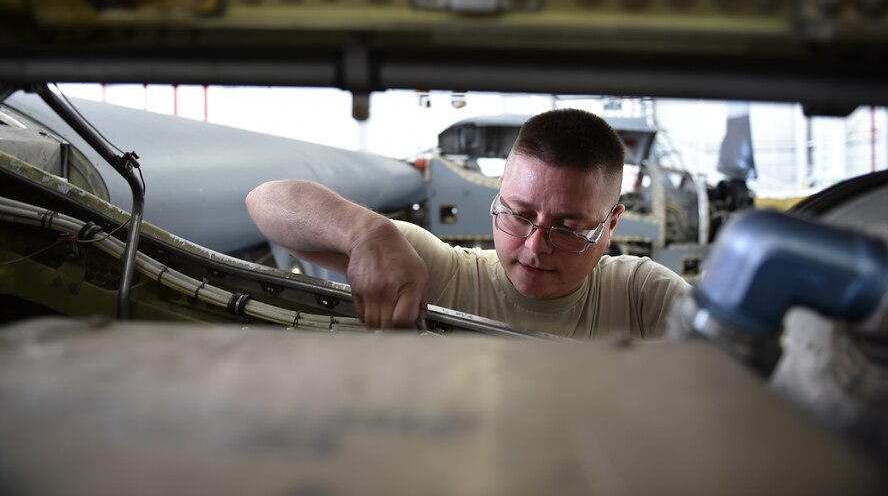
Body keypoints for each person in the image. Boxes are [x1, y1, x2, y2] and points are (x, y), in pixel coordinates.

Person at [245, 108, 691, 340]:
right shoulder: (445, 276)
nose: (535, 247)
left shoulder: (641, 296)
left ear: (611, 224)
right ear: (499, 192)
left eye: (568, 228)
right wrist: (366, 233)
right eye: (519, 214)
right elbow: (266, 201)